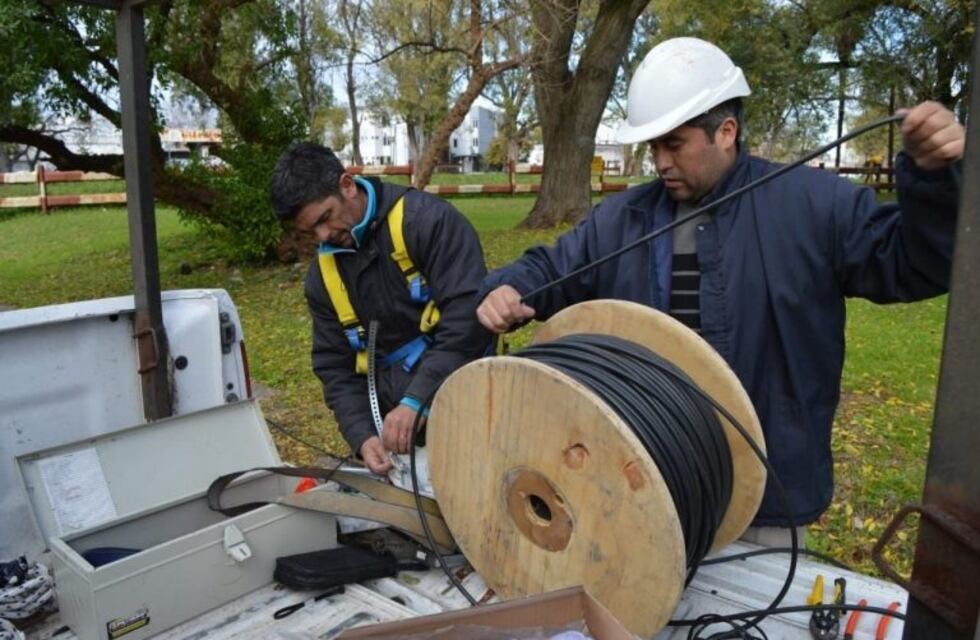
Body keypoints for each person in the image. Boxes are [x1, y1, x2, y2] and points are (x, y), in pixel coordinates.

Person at [476, 37, 964, 542]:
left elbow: (916, 262)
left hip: (768, 501)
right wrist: (510, 287)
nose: (660, 162)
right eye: (653, 147)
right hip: (641, 486)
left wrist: (933, 179)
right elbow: (554, 267)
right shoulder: (622, 218)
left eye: (674, 144)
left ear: (726, 131)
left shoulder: (816, 206)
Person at [272, 143, 492, 474]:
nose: (323, 236)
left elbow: (468, 317)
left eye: (325, 218)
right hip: (394, 428)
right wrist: (362, 435)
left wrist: (417, 399)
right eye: (310, 231)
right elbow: (334, 366)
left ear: (347, 185)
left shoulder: (427, 222)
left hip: (470, 401)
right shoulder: (323, 278)